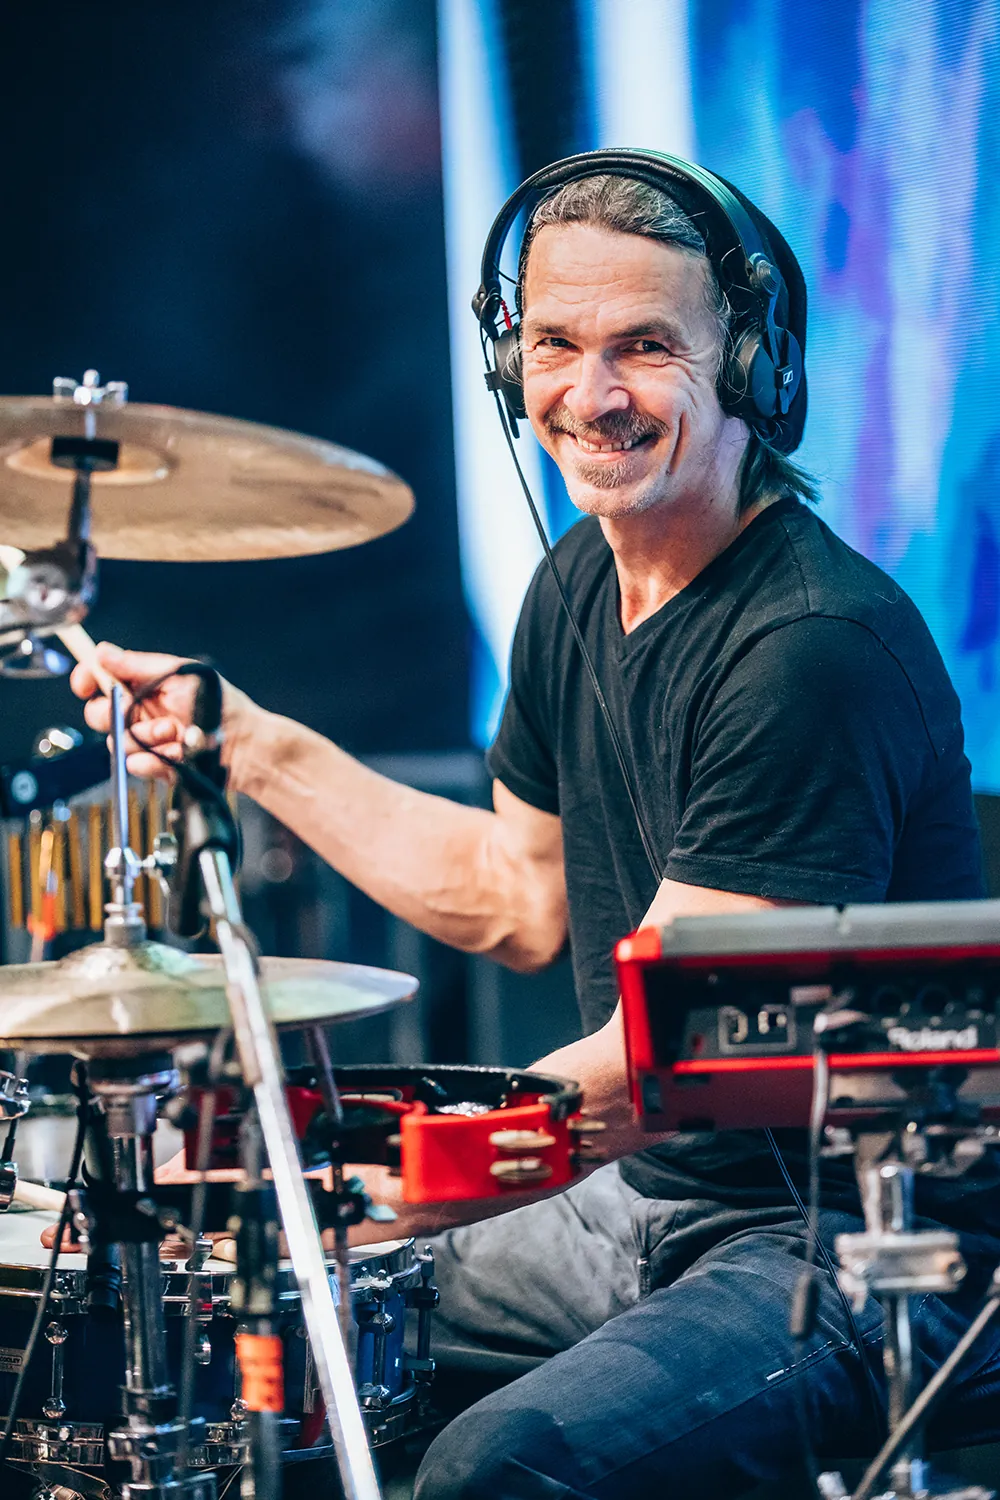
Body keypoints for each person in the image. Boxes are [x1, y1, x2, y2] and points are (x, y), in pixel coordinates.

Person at [71, 156, 1000, 1497]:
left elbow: (657, 1062)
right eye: (555, 345)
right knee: (285, 1338)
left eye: (645, 348)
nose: (590, 394)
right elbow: (512, 893)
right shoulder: (576, 581)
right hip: (654, 1199)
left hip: (842, 1238)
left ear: (753, 371)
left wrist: (360, 1164)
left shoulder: (809, 647)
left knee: (496, 1466)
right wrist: (247, 740)